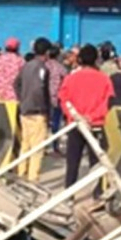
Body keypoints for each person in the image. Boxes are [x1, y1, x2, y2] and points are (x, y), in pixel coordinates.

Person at [58, 44, 113, 188]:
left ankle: (69, 192)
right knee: (97, 162)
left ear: (80, 59)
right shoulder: (104, 79)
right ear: (96, 59)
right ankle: (98, 192)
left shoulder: (70, 79)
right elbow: (107, 102)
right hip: (96, 125)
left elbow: (63, 100)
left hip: (75, 124)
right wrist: (92, 117)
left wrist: (75, 116)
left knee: (72, 161)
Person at [14, 38, 51, 182]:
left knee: (25, 144)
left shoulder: (26, 66)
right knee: (37, 147)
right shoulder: (42, 68)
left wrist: (22, 98)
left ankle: (21, 172)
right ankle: (33, 177)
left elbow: (16, 83)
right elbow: (39, 89)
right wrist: (43, 108)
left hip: (25, 110)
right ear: (47, 52)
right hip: (37, 111)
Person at [44, 45, 68, 137]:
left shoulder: (44, 65)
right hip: (57, 97)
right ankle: (55, 140)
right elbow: (66, 79)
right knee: (56, 121)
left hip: (44, 96)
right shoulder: (60, 67)